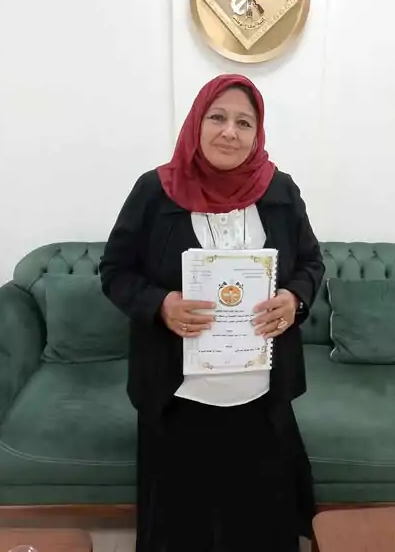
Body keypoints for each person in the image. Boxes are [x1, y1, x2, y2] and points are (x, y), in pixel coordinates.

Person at [99, 73, 325, 552]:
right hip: (178, 394)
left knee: (259, 524)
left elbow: (311, 263)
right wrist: (160, 304)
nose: (230, 132)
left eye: (244, 122)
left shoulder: (280, 191)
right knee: (181, 528)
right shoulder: (155, 190)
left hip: (260, 394)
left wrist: (294, 299)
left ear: (257, 133)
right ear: (196, 122)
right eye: (217, 117)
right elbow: (115, 271)